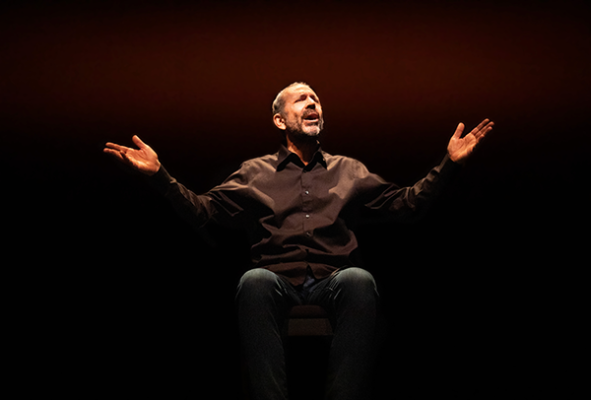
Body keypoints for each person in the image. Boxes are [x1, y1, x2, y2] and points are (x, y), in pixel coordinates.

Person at [104, 82, 494, 399]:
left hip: (332, 278)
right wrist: (160, 176)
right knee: (253, 281)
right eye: (302, 99)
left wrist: (449, 165)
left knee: (359, 279)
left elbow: (407, 204)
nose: (313, 104)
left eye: (317, 99)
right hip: (277, 279)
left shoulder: (349, 170)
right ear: (278, 119)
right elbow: (204, 210)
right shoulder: (253, 173)